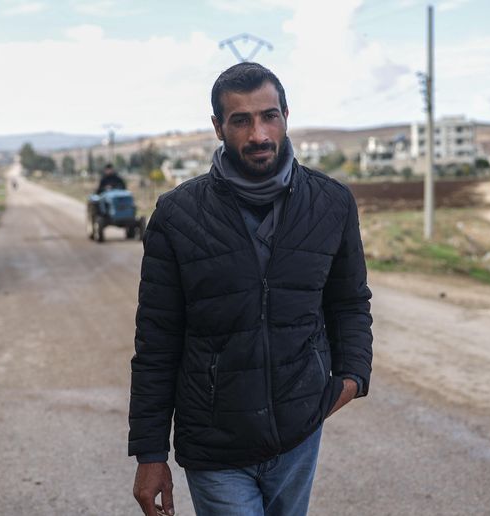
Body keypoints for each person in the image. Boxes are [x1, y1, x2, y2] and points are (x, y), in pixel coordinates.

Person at [129, 62, 373, 516]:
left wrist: (354, 375)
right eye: (241, 120)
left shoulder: (331, 203)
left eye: (269, 116)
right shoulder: (177, 215)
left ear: (285, 115)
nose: (259, 134)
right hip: (214, 440)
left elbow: (349, 301)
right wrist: (150, 453)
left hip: (300, 433)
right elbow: (157, 341)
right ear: (218, 127)